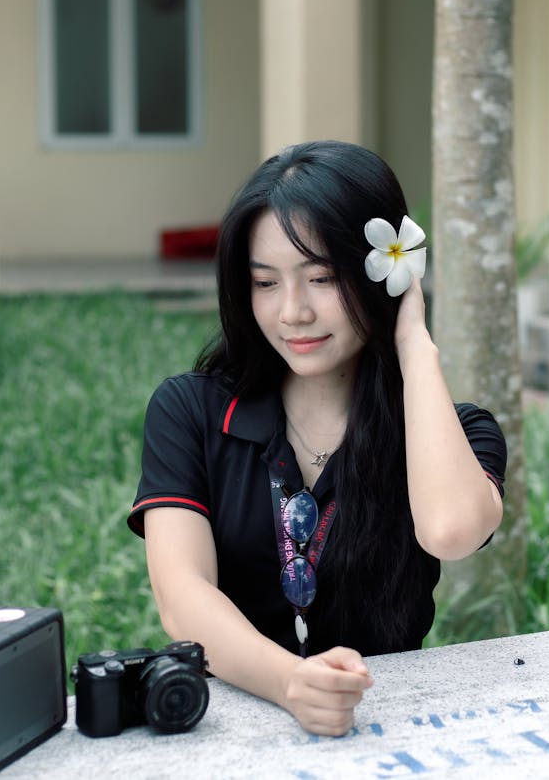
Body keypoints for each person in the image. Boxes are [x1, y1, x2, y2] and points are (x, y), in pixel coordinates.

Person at [128, 140, 506, 737]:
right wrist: (290, 683)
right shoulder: (190, 412)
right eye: (265, 283)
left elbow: (452, 531)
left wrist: (415, 345)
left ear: (380, 271)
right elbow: (182, 593)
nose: (293, 312)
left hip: (395, 731)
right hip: (235, 726)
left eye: (322, 277)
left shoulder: (456, 434)